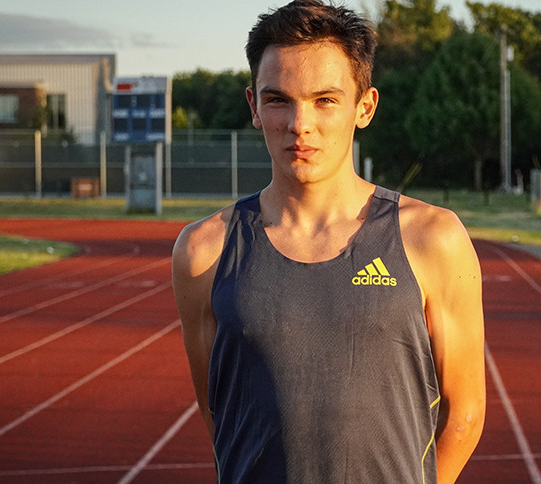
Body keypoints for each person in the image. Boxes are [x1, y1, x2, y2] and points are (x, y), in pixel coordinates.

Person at [171, 1, 485, 482]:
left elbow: (464, 414)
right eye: (279, 100)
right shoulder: (203, 253)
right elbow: (220, 411)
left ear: (365, 107)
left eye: (325, 100)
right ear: (254, 106)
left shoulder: (433, 238)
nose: (300, 124)